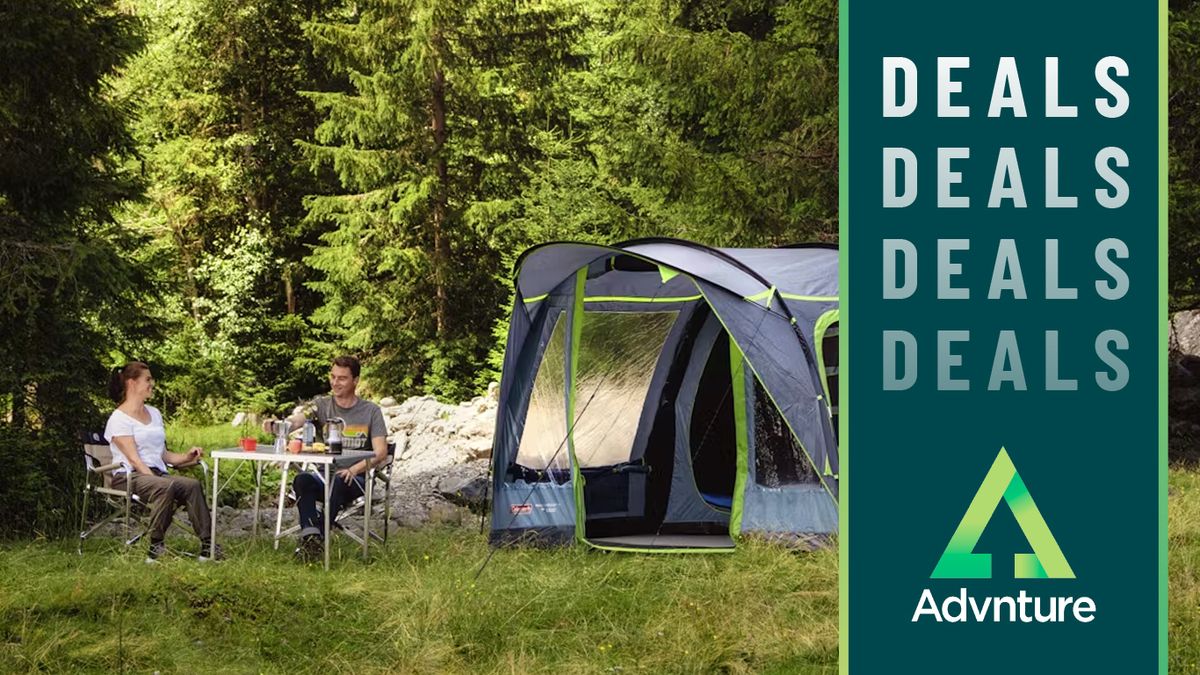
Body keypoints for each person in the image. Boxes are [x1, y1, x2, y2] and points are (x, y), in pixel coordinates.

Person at [273, 355, 388, 562]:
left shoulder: (371, 411)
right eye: (333, 377)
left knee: (339, 479)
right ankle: (311, 535)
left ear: (355, 380)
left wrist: (354, 470)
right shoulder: (321, 405)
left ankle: (317, 539)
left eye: (342, 378)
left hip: (357, 479)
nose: (335, 383)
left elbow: (381, 452)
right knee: (302, 480)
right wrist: (282, 426)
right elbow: (300, 419)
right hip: (323, 475)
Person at [104, 361, 220, 563]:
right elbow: (134, 459)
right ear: (132, 383)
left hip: (156, 476)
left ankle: (208, 547)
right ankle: (155, 547)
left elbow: (164, 455)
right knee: (167, 486)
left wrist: (187, 456)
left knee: (191, 485)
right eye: (147, 379)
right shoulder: (119, 418)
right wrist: (161, 481)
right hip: (129, 477)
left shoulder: (154, 413)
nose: (152, 384)